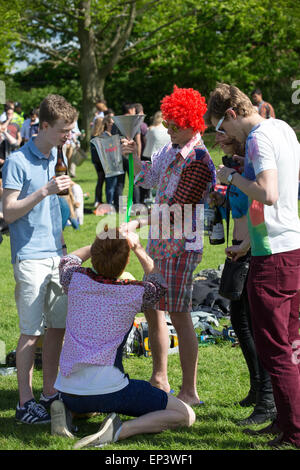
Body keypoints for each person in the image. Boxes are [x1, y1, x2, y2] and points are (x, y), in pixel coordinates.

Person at [206, 83, 300, 448]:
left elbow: (269, 193)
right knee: (291, 345)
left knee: (275, 348)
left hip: (274, 259)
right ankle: (286, 422)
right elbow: (286, 196)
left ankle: (292, 431)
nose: (222, 136)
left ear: (231, 114)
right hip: (288, 247)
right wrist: (249, 240)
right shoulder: (284, 129)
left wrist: (231, 177)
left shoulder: (260, 137)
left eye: (221, 128)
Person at [50, 226, 195, 448]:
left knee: (88, 400)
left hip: (68, 389)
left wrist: (100, 246)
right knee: (185, 415)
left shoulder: (75, 280)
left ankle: (65, 410)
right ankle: (121, 429)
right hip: (110, 390)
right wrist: (136, 246)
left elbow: (68, 259)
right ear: (126, 263)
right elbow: (159, 282)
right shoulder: (134, 292)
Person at [121, 85, 216, 406]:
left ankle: (189, 390)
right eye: (170, 124)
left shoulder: (200, 160)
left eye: (177, 125)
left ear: (194, 123)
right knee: (152, 306)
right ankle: (159, 378)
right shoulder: (169, 151)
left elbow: (176, 208)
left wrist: (137, 222)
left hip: (182, 247)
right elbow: (147, 179)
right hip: (161, 242)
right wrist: (134, 156)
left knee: (180, 313)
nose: (171, 130)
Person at [2, 93, 78, 424]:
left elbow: (55, 211)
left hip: (54, 254)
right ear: (44, 126)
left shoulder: (56, 155)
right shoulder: (17, 162)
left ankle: (49, 393)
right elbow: (8, 211)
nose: (68, 136)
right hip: (29, 257)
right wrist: (44, 191)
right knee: (31, 332)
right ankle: (24, 403)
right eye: (64, 130)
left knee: (57, 328)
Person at [210, 132, 276, 426]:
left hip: (249, 250)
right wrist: (221, 196)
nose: (219, 144)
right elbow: (238, 205)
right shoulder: (234, 170)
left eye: (223, 139)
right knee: (239, 322)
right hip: (236, 251)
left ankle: (267, 399)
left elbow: (259, 209)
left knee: (252, 325)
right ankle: (256, 388)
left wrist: (245, 246)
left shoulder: (249, 171)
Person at [111, 103, 142, 208]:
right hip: (130, 155)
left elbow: (113, 140)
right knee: (134, 181)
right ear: (131, 110)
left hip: (119, 155)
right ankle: (136, 204)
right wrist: (138, 156)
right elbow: (138, 141)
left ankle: (118, 206)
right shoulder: (134, 121)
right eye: (134, 110)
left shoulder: (116, 122)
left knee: (120, 182)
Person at [90, 115, 118, 209]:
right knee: (106, 181)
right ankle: (106, 200)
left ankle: (98, 200)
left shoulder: (93, 135)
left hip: (96, 161)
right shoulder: (103, 135)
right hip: (102, 161)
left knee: (100, 180)